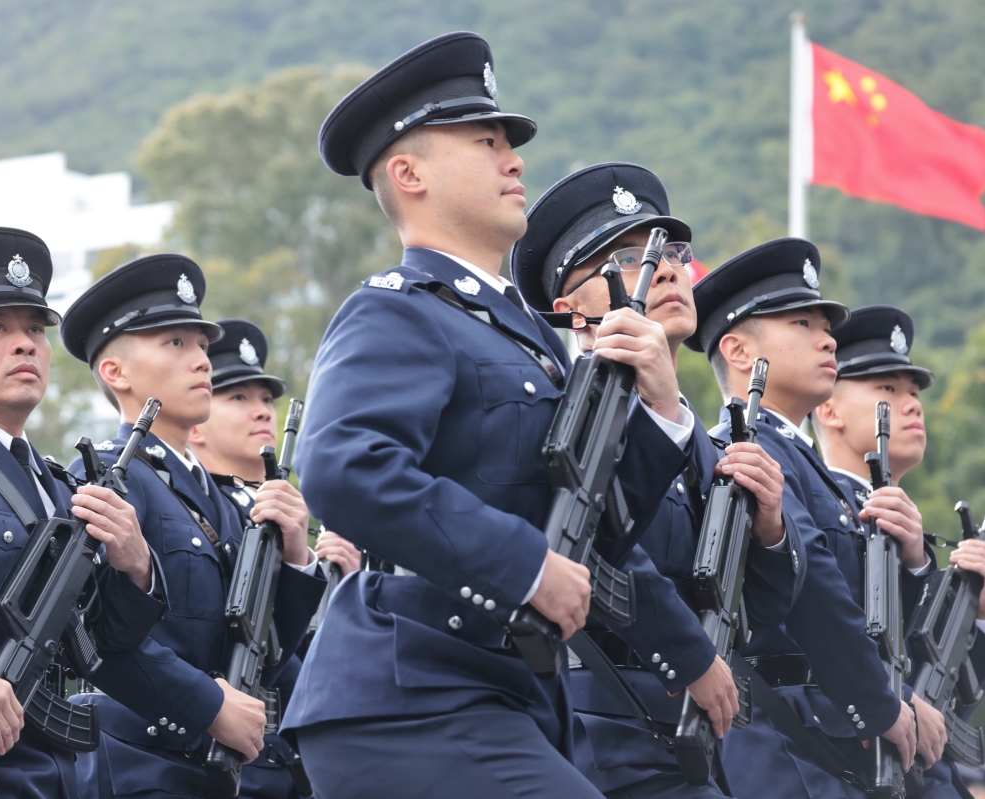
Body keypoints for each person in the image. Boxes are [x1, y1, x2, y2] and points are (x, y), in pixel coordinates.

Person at [281, 31, 742, 799]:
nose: (515, 160)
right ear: (409, 173)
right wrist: (525, 566)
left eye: (510, 142)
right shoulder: (396, 312)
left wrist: (663, 409)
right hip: (406, 697)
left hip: (493, 694)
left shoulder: (526, 338)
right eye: (485, 141)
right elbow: (341, 467)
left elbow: (591, 527)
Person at [512, 161, 803, 799]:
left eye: (671, 251)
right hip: (597, 733)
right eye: (626, 260)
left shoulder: (697, 436)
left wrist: (773, 529)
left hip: (701, 742)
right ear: (571, 311)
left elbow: (758, 609)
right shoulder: (554, 417)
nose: (666, 268)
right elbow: (596, 556)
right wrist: (691, 658)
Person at [0, 227, 167, 798]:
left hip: (56, 771)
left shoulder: (59, 484)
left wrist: (136, 566)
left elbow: (101, 643)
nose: (25, 345)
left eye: (35, 331)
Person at [59, 255, 326, 799]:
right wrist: (210, 704)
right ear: (116, 373)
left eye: (202, 345)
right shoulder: (110, 478)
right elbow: (96, 637)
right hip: (141, 761)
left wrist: (298, 560)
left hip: (222, 765)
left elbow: (262, 649)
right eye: (176, 344)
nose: (202, 360)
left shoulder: (222, 497)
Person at [687, 238, 921, 799]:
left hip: (821, 738)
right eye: (802, 324)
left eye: (826, 326)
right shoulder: (744, 451)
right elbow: (811, 588)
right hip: (779, 740)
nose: (827, 339)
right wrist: (881, 704)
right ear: (739, 351)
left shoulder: (801, 462)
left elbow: (870, 613)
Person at [814, 304, 985, 799]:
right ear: (829, 409)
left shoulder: (907, 533)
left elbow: (943, 713)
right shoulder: (814, 507)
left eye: (914, 392)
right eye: (887, 389)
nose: (912, 404)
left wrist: (980, 615)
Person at [188, 317, 313, 799]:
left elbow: (298, 644)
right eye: (238, 398)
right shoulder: (196, 506)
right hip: (215, 746)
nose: (262, 411)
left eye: (266, 398)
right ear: (197, 422)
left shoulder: (283, 511)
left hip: (289, 751)